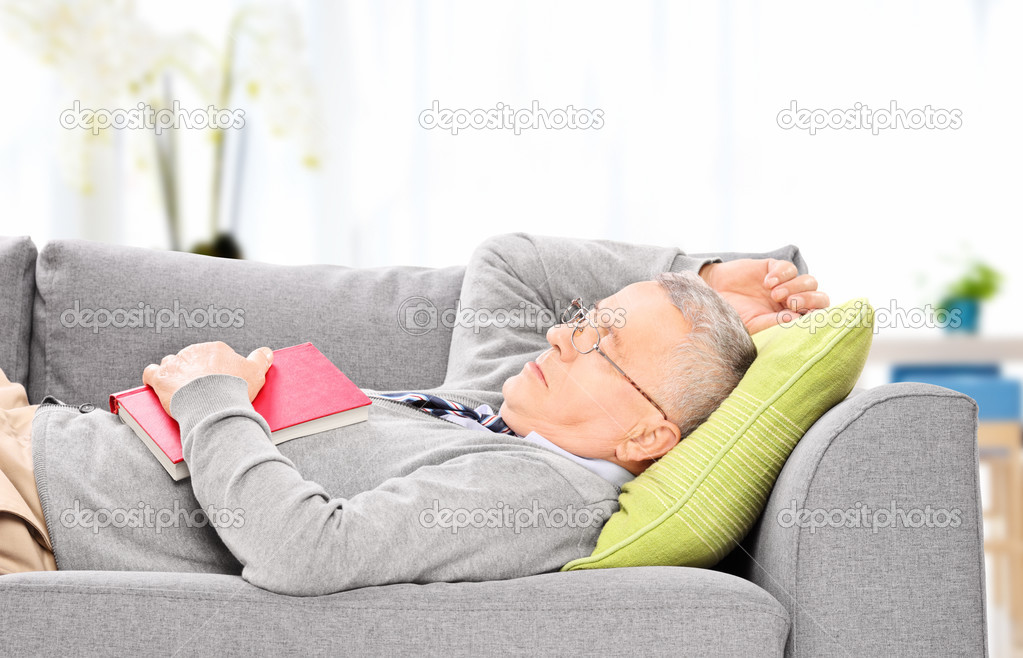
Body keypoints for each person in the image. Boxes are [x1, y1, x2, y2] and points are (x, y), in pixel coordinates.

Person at [0, 234, 827, 594]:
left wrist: (210, 398)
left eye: (596, 343)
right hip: (33, 430)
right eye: (582, 315)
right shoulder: (509, 409)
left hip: (33, 501)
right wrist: (706, 277)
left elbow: (307, 553)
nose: (557, 334)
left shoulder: (537, 492)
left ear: (650, 435)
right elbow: (513, 261)